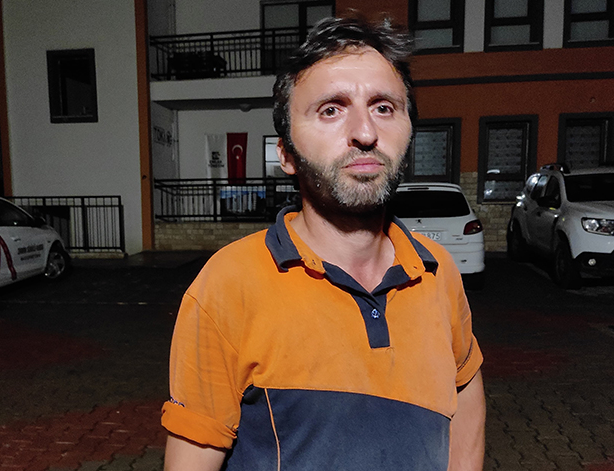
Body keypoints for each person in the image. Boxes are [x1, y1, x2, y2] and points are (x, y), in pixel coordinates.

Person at [161, 16, 485, 471]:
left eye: (384, 107)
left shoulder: (438, 271)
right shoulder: (228, 284)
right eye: (331, 109)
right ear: (286, 154)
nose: (365, 133)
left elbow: (465, 387)